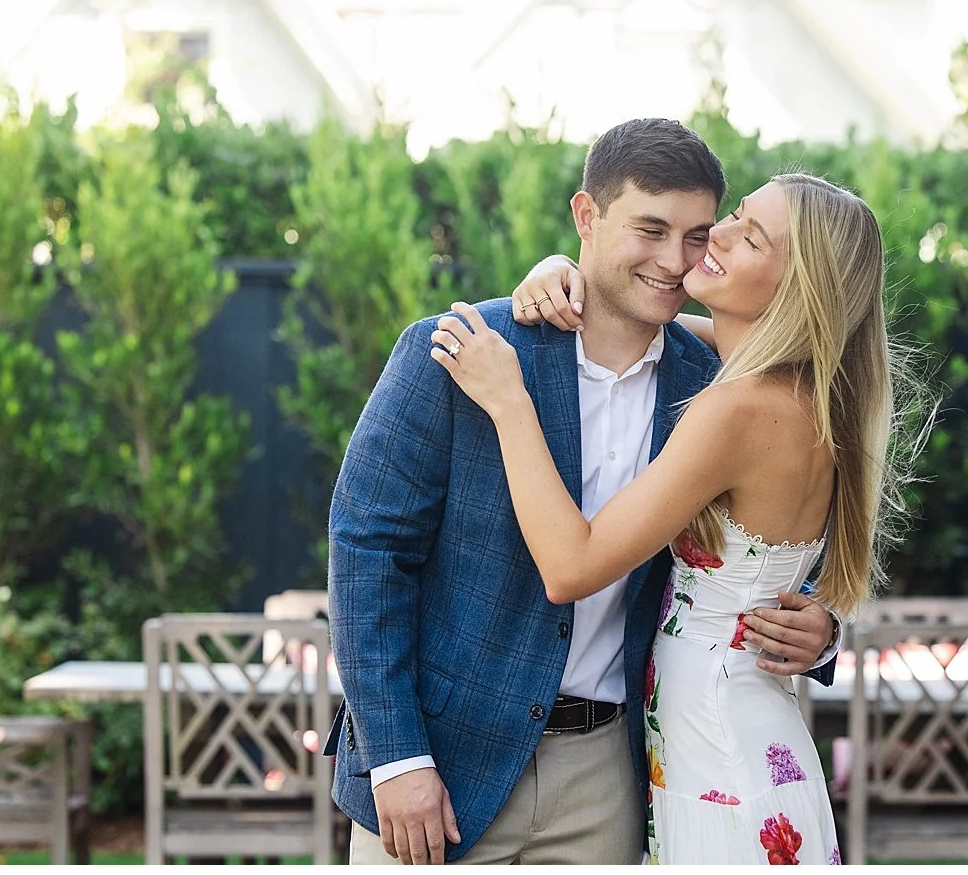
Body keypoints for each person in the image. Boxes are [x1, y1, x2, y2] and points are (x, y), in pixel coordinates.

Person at [325, 119, 841, 865]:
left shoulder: (716, 389)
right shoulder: (463, 352)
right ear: (586, 217)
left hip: (611, 776)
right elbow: (366, 551)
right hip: (441, 766)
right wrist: (397, 758)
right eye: (651, 229)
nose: (674, 260)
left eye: (698, 235)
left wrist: (819, 626)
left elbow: (764, 536)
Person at [430, 171, 901, 864]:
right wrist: (566, 273)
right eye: (738, 214)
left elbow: (572, 567)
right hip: (743, 742)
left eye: (752, 237)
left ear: (796, 288)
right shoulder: (805, 392)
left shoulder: (738, 409)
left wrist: (509, 403)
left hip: (720, 758)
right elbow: (639, 317)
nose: (720, 233)